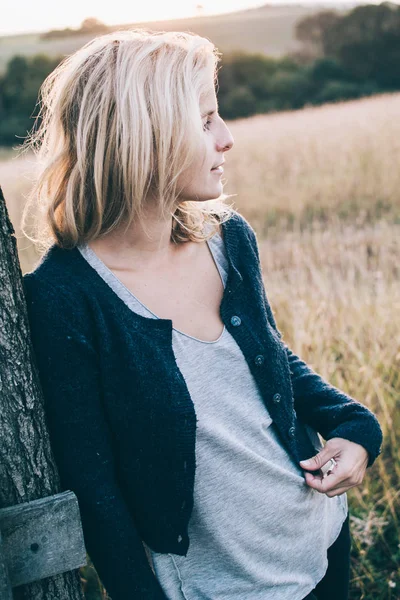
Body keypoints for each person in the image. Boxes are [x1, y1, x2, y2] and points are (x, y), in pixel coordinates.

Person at [20, 29, 383, 600]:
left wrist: (356, 426)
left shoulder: (229, 239)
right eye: (207, 119)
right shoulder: (65, 299)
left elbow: (268, 359)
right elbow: (96, 489)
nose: (228, 138)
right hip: (216, 587)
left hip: (316, 538)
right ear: (146, 134)